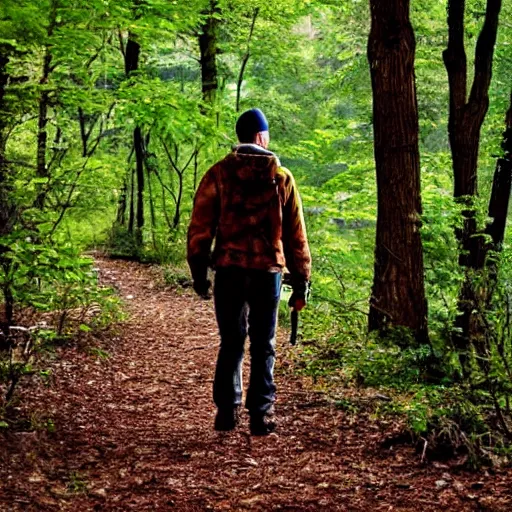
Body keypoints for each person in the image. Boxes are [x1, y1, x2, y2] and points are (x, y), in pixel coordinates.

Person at [187, 108, 311, 435]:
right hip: (267, 272)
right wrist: (301, 282)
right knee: (263, 343)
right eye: (266, 132)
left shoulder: (218, 174)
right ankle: (261, 415)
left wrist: (199, 273)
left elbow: (200, 229)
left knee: (231, 341)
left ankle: (227, 411)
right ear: (260, 136)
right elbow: (296, 236)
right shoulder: (282, 177)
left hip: (228, 270)